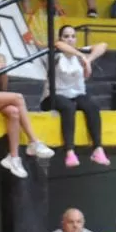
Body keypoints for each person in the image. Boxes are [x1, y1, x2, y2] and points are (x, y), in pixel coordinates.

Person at [0, 21, 54, 178]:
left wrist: (1, 73)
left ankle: (14, 157)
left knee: (13, 112)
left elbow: (2, 87)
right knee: (18, 98)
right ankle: (34, 141)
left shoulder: (1, 57)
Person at [41, 25, 111, 168]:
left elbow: (103, 45)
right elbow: (58, 45)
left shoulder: (81, 54)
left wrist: (88, 60)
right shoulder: (55, 53)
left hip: (75, 95)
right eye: (66, 36)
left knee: (92, 106)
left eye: (73, 36)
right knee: (68, 107)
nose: (70, 39)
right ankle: (69, 152)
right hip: (53, 96)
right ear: (60, 38)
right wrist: (81, 56)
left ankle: (98, 148)